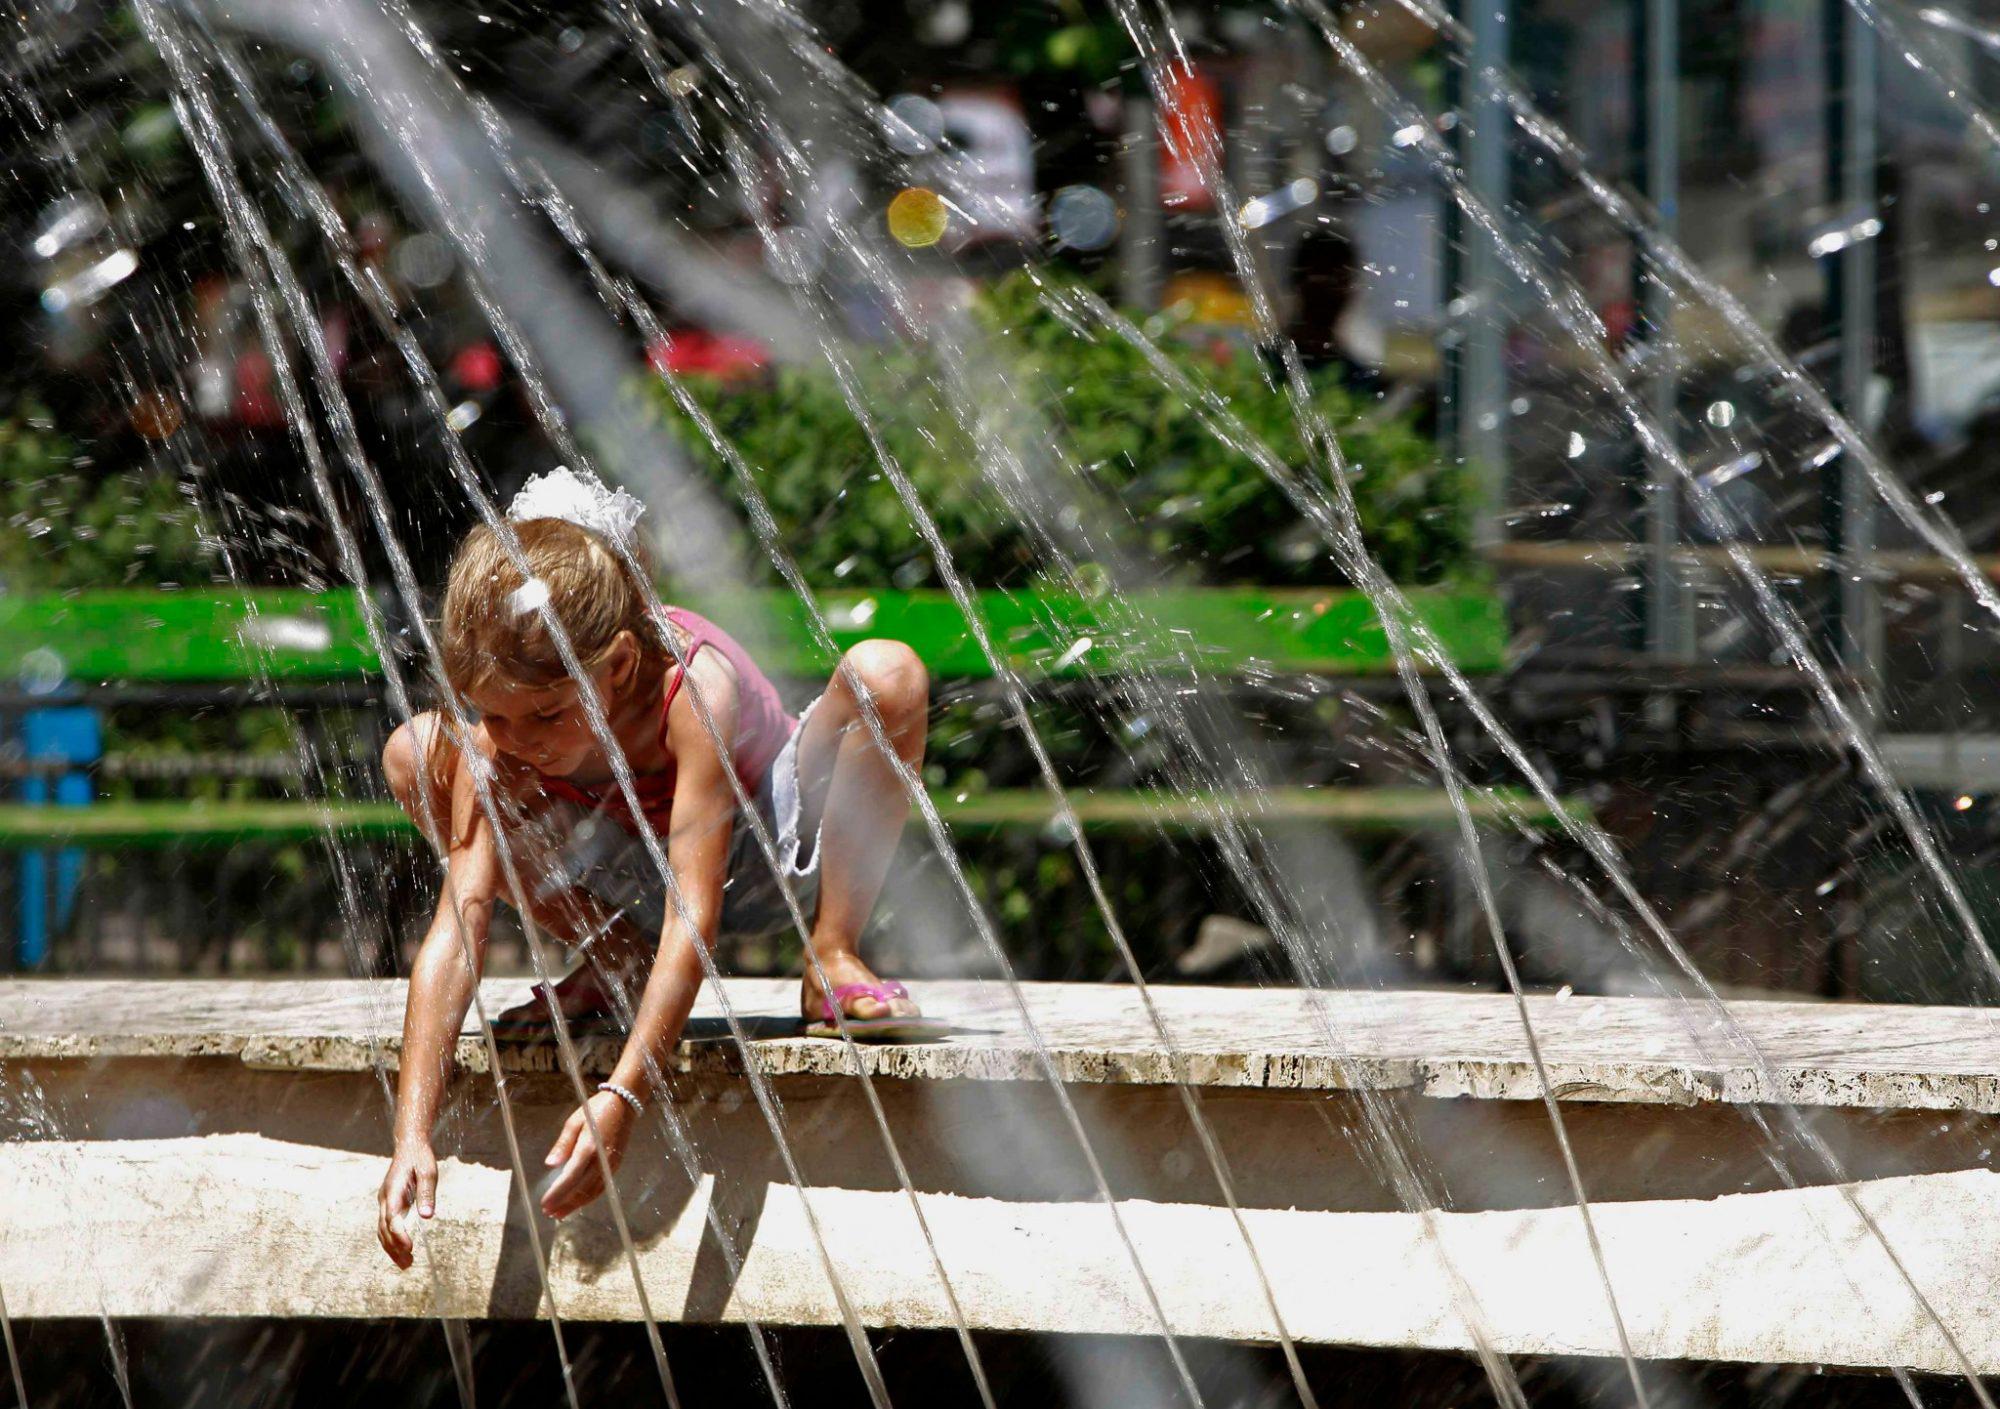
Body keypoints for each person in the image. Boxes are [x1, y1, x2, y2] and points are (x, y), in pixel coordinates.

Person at [375, 468, 940, 1267]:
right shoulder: (499, 737)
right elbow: (457, 924)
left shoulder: (689, 686)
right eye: (497, 714)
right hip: (620, 862)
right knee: (418, 750)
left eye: (546, 713)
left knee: (889, 674)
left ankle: (833, 952)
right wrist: (411, 1137)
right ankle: (613, 961)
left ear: (619, 666)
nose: (522, 737)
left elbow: (694, 912)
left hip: (767, 849)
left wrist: (625, 1093)